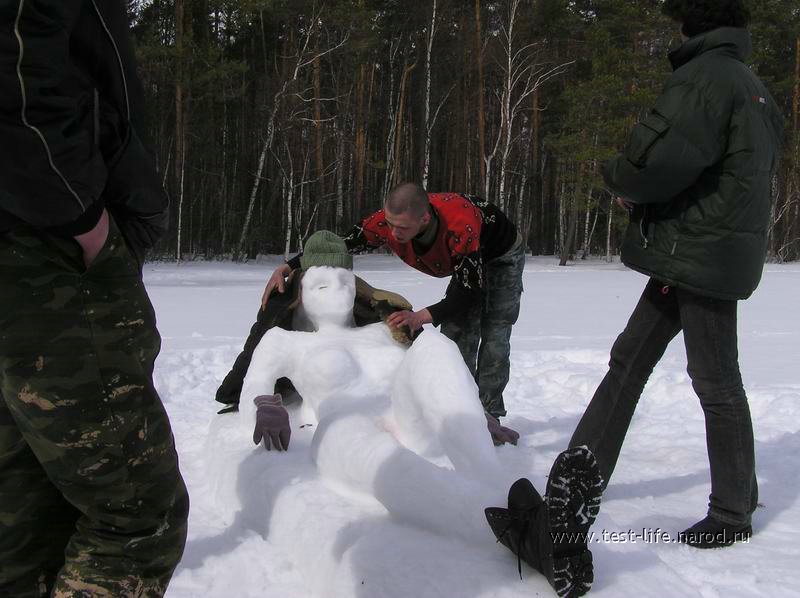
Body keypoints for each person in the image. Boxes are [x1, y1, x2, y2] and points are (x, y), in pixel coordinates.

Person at [485, 0, 784, 595]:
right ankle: (583, 492)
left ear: (691, 22)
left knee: (707, 377)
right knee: (640, 360)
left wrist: (621, 178)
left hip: (695, 254)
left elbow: (661, 161)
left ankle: (727, 511)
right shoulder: (752, 85)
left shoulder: (705, 78)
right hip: (710, 250)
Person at [0, 2, 189, 596]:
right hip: (45, 250)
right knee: (133, 516)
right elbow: (15, 54)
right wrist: (79, 213)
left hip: (29, 237)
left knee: (22, 505)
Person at [237, 231, 514, 545]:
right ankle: (504, 525)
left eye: (346, 283)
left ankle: (501, 488)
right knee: (390, 467)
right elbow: (253, 385)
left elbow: (429, 376)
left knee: (434, 345)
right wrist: (264, 406)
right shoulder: (285, 341)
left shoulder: (384, 329)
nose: (338, 293)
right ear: (300, 292)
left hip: (407, 417)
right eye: (322, 285)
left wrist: (471, 415)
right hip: (344, 426)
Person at [252, 183, 525, 444]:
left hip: (500, 256)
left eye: (402, 227)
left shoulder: (459, 226)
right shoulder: (384, 222)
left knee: (494, 333)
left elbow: (468, 293)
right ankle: (465, 412)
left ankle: (490, 417)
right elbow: (340, 245)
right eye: (390, 224)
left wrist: (418, 317)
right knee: (456, 333)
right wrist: (289, 266)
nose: (393, 233)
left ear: (425, 220)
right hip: (467, 261)